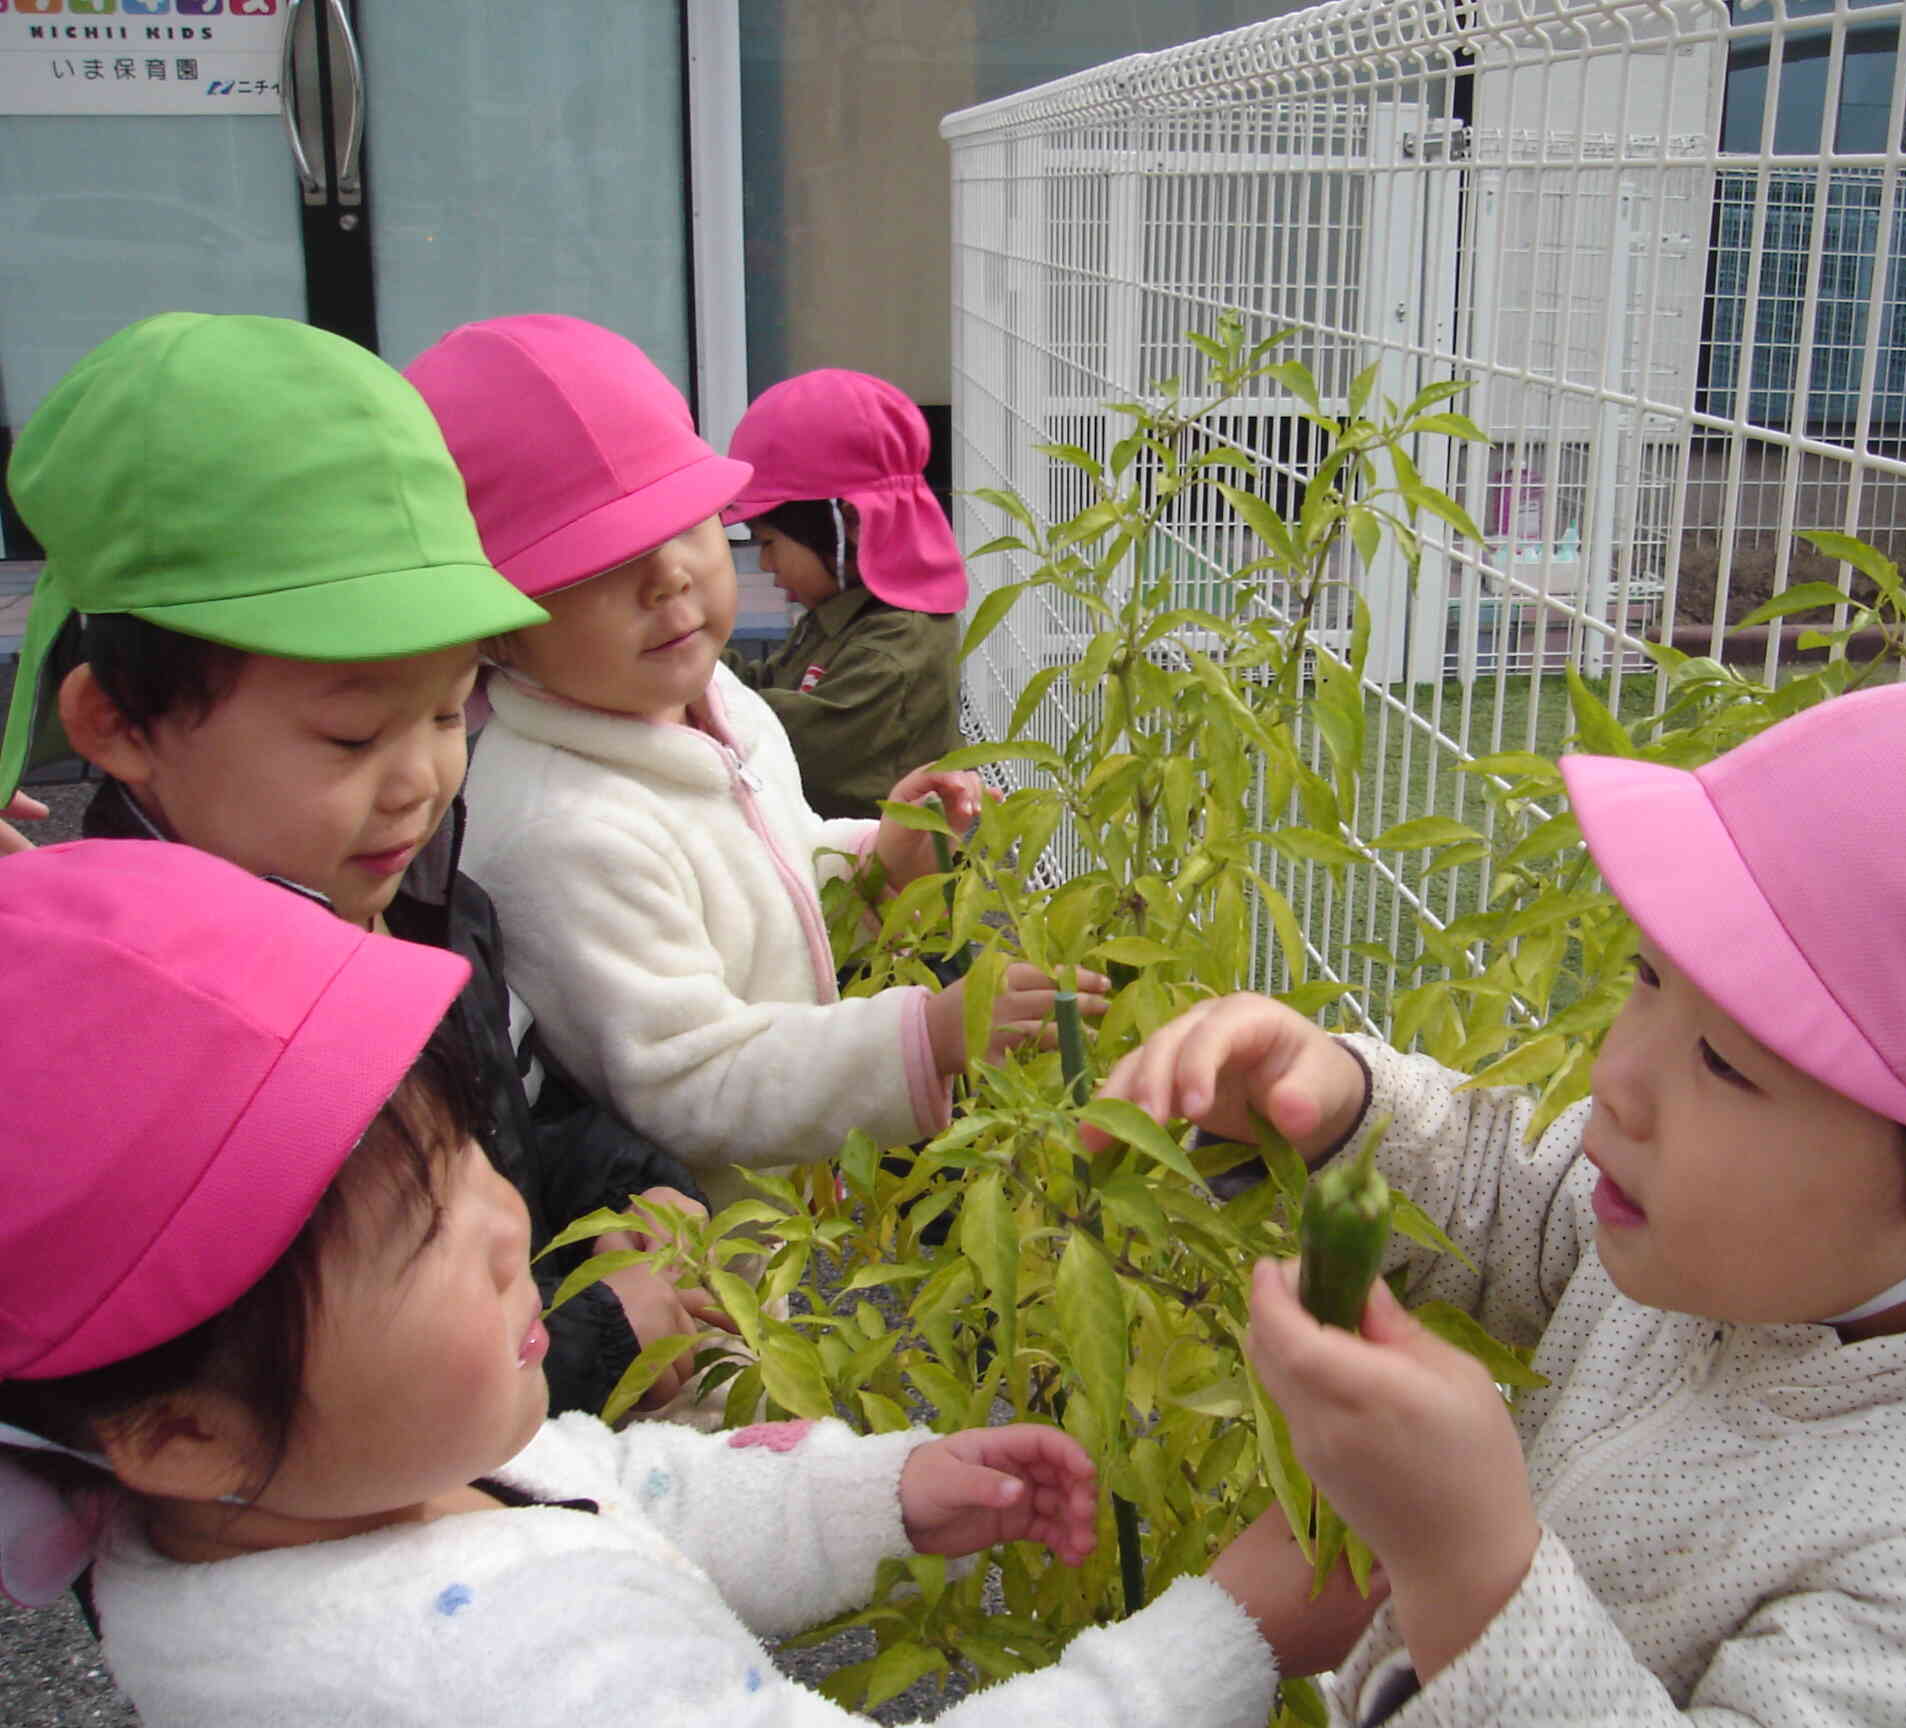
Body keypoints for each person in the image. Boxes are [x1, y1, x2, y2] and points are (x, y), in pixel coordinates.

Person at [1094, 676, 1906, 1726]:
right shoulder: (1724, 1246)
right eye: (1646, 977)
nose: (1618, 1075)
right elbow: (1519, 1198)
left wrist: (1470, 1571)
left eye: (1726, 1064)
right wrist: (1338, 1106)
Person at [0, 840, 1289, 1726]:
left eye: (468, 1158)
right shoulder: (493, 1677)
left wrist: (871, 1496)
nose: (509, 1221)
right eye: (423, 1229)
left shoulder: (333, 1488)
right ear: (180, 1432)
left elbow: (616, 1483)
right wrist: (1228, 1638)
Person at [0, 312, 711, 1420]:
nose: (419, 780)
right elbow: (290, 1421)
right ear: (120, 722)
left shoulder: (426, 900)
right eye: (350, 737)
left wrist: (633, 1193)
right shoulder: (142, 1056)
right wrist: (596, 1340)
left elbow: (525, 1112)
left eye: (449, 710)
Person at [406, 316, 1100, 1196]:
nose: (671, 575)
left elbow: (769, 864)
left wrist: (870, 860)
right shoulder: (563, 835)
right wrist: (924, 1038)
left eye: (687, 522)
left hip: (784, 1190)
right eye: (600, 562)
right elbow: (689, 1076)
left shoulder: (713, 699)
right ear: (495, 626)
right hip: (709, 1246)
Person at [721, 369, 965, 820]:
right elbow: (769, 684)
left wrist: (682, 687)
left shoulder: (891, 649)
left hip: (874, 862)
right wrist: (696, 662)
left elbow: (770, 738)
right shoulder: (845, 613)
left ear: (849, 523)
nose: (766, 564)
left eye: (769, 542)